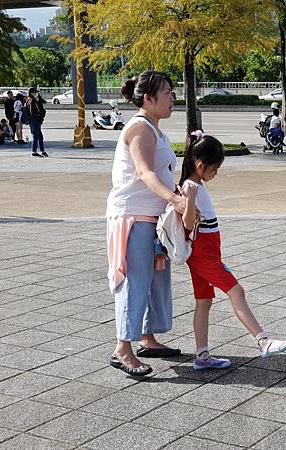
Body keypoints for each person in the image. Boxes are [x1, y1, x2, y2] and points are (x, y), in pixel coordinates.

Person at [179, 133, 286, 371]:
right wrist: (189, 200)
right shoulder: (191, 187)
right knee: (236, 291)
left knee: (203, 301)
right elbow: (189, 224)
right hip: (204, 255)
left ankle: (201, 355)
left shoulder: (194, 184)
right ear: (200, 165)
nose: (215, 174)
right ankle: (263, 340)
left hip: (203, 254)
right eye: (214, 169)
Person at [106, 70, 189, 376]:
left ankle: (147, 338)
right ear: (148, 98)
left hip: (153, 218)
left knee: (155, 282)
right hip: (135, 216)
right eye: (167, 92)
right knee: (135, 281)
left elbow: (160, 171)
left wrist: (173, 194)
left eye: (172, 92)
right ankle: (122, 349)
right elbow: (144, 172)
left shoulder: (155, 129)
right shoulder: (140, 128)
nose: (172, 98)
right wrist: (173, 198)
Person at [26, 87, 48, 157]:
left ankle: (42, 151)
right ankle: (34, 151)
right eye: (35, 92)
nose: (36, 93)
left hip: (33, 120)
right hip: (34, 120)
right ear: (32, 93)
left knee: (40, 136)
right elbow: (33, 112)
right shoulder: (32, 101)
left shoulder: (29, 100)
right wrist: (40, 116)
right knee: (36, 136)